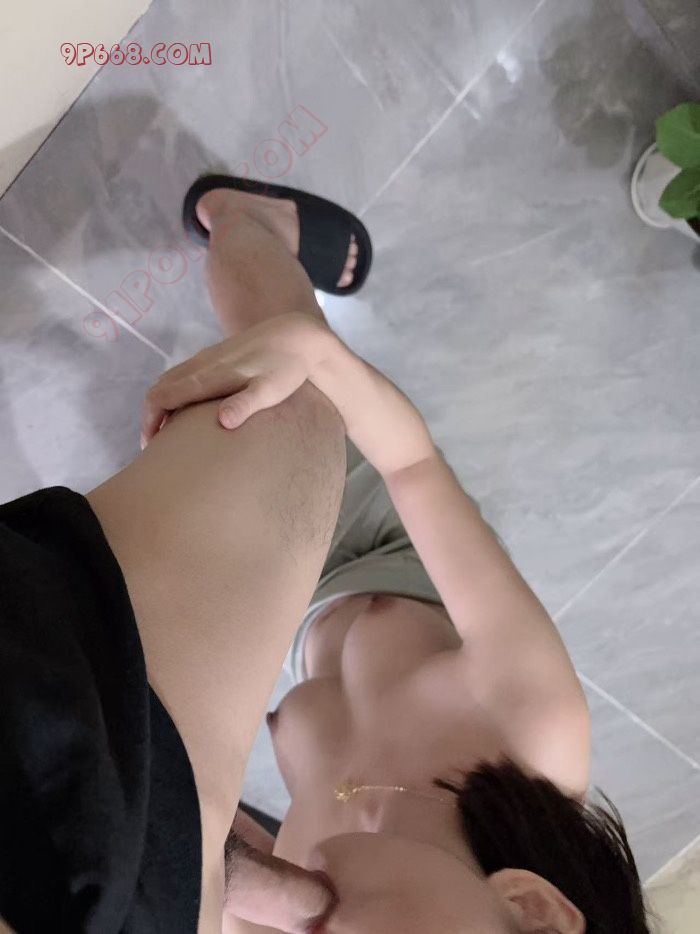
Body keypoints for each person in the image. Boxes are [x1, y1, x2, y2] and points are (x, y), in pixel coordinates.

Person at [0, 173, 650, 934]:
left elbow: (184, 823)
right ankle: (248, 219)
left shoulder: (302, 882)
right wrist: (314, 356)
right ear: (534, 911)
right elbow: (413, 467)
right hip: (386, 549)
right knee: (290, 391)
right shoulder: (536, 735)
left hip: (297, 620)